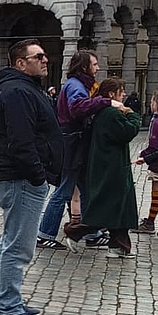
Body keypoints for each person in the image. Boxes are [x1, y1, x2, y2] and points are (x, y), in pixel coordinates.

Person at [0, 39, 63, 315]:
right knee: (19, 246)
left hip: (20, 175)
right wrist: (38, 175)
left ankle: (5, 299)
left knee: (13, 241)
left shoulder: (23, 88)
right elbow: (21, 139)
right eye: (38, 56)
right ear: (21, 63)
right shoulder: (17, 91)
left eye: (44, 56)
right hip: (21, 177)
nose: (45, 60)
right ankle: (8, 307)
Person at [36, 51, 111, 250]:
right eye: (94, 64)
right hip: (72, 145)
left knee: (85, 190)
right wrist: (106, 101)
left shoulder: (79, 84)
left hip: (75, 143)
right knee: (63, 191)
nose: (97, 68)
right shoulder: (75, 85)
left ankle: (91, 233)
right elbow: (77, 107)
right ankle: (44, 234)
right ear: (84, 67)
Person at [63, 79, 141, 256]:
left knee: (119, 207)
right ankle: (75, 232)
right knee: (109, 207)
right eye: (121, 91)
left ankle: (118, 246)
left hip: (113, 164)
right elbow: (127, 132)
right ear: (112, 94)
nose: (124, 95)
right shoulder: (110, 113)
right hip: (111, 166)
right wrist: (133, 115)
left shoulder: (106, 112)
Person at [136, 93, 158, 234]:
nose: (151, 104)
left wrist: (144, 155)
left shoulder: (157, 122)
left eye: (152, 101)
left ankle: (150, 222)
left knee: (157, 192)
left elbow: (155, 145)